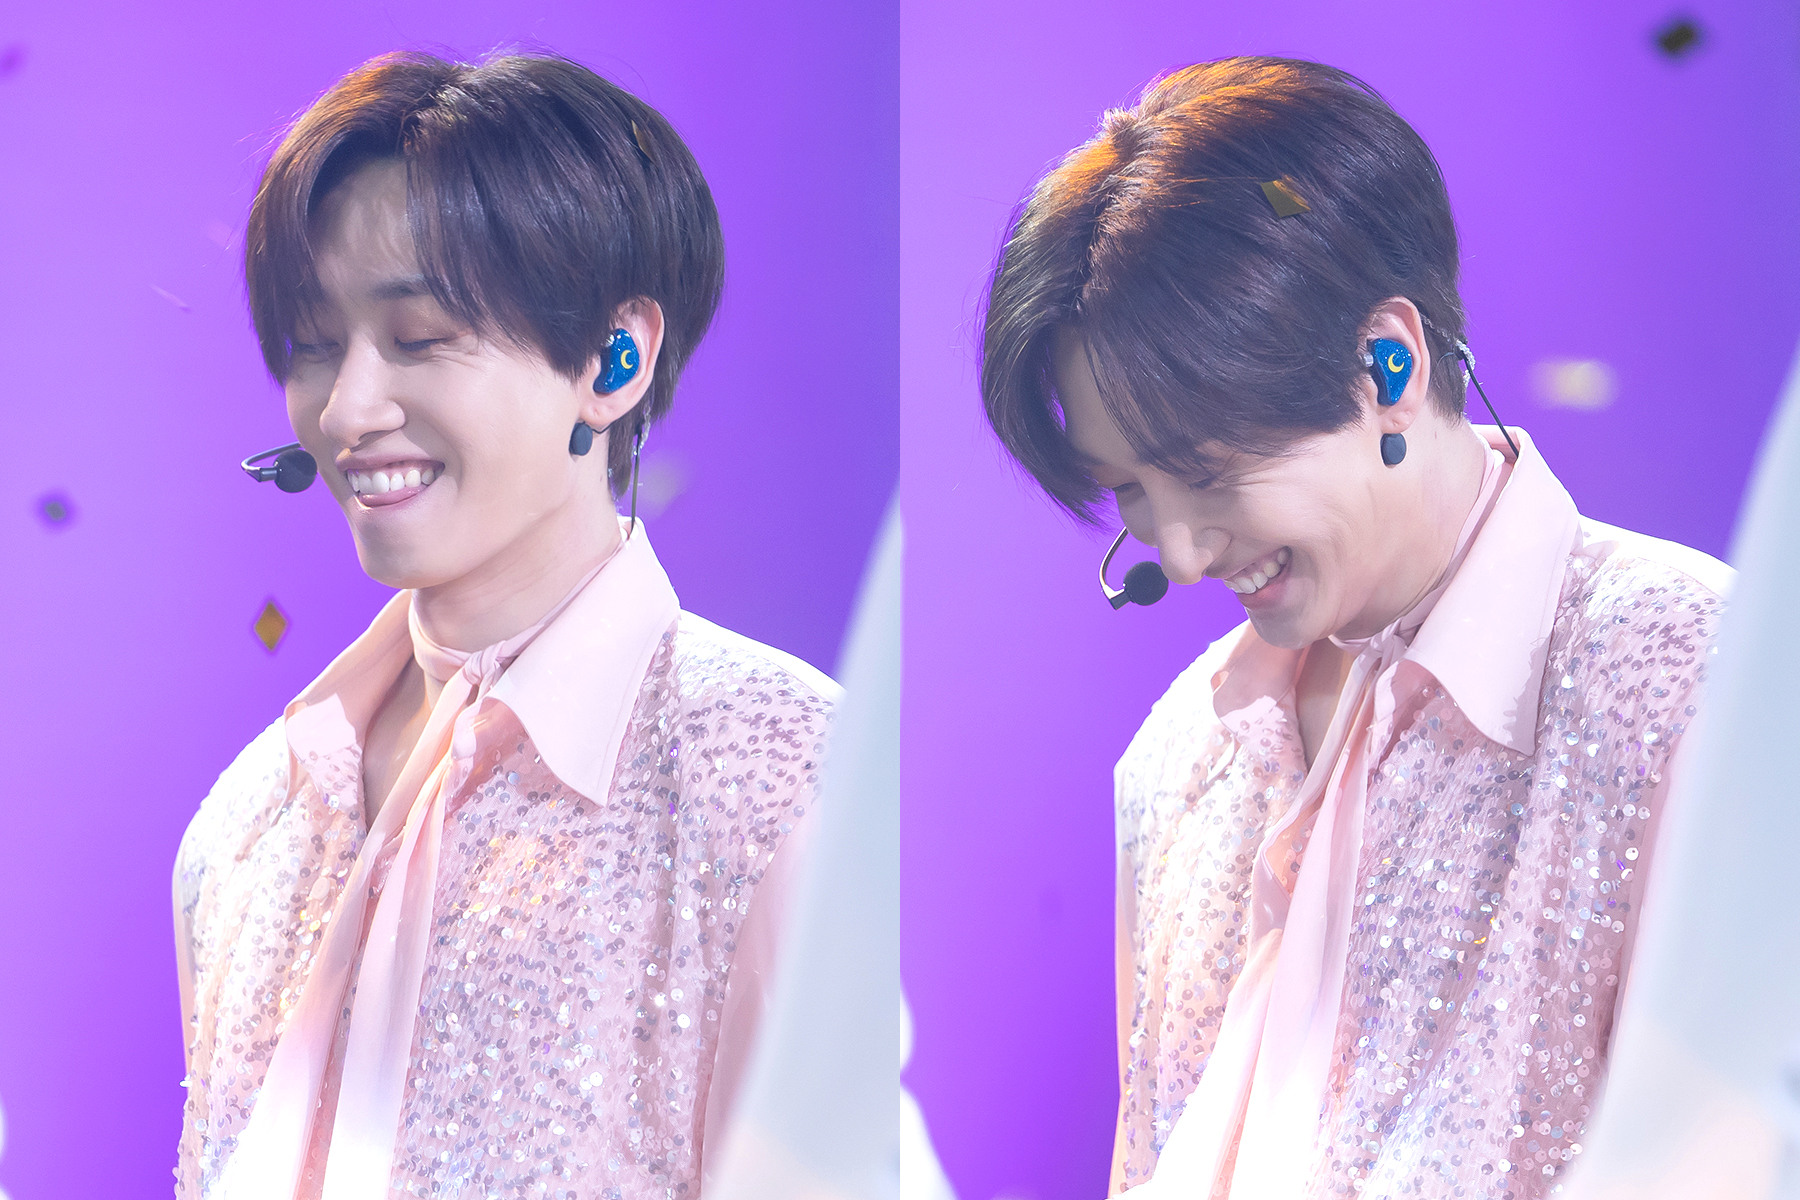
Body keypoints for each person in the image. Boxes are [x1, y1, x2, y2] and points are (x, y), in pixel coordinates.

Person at [979, 57, 1729, 1199]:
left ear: (1388, 364)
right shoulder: (1186, 757)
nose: (1181, 555)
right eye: (1129, 490)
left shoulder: (1682, 678)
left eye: (1206, 472)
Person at [172, 51, 839, 1200]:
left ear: (615, 361)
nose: (348, 409)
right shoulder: (247, 830)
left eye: (419, 336)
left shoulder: (779, 773)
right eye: (316, 344)